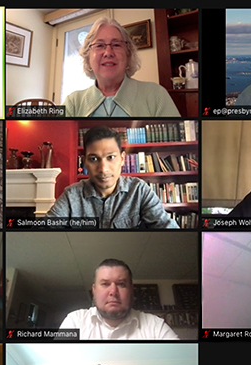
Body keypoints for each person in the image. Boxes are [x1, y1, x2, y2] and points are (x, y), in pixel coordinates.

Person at [46, 126, 179, 229]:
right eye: (94, 159)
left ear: (122, 159)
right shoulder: (71, 195)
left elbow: (167, 228)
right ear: (85, 161)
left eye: (110, 157)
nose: (103, 169)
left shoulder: (139, 190)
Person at [63, 17, 179, 117]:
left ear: (128, 54)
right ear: (88, 56)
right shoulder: (71, 103)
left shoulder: (156, 95)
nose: (108, 52)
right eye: (99, 45)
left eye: (116, 45)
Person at [59, 259, 179, 339]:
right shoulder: (75, 322)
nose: (113, 292)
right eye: (105, 284)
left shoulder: (155, 326)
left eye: (121, 284)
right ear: (94, 290)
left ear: (131, 290)